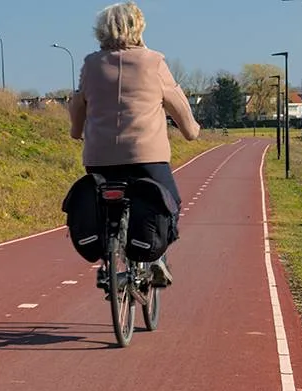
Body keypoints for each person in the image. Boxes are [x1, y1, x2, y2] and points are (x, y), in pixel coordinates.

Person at [68, 2, 200, 288]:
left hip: (99, 157)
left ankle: (107, 259)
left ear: (101, 30)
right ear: (138, 26)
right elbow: (177, 102)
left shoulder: (91, 64)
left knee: (102, 203)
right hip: (145, 156)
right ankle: (156, 260)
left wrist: (76, 130)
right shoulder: (153, 62)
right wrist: (191, 131)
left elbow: (79, 103)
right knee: (169, 203)